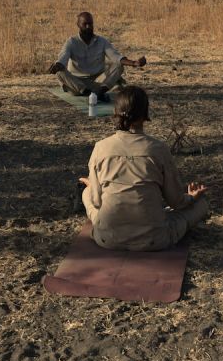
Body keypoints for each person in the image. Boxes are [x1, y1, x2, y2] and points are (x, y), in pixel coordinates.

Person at [80, 86, 208, 251]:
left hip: (107, 239)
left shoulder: (100, 147)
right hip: (154, 240)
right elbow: (176, 202)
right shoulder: (158, 149)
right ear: (145, 114)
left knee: (86, 193)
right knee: (201, 205)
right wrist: (191, 198)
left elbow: (97, 201)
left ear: (115, 112)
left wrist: (91, 188)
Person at [48, 11, 146, 101]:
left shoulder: (101, 41)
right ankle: (90, 94)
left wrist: (134, 63)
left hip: (97, 82)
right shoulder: (71, 42)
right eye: (84, 24)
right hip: (77, 83)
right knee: (60, 72)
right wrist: (58, 65)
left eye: (90, 24)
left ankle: (98, 93)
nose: (88, 27)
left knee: (118, 66)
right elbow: (62, 59)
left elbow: (116, 57)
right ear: (78, 25)